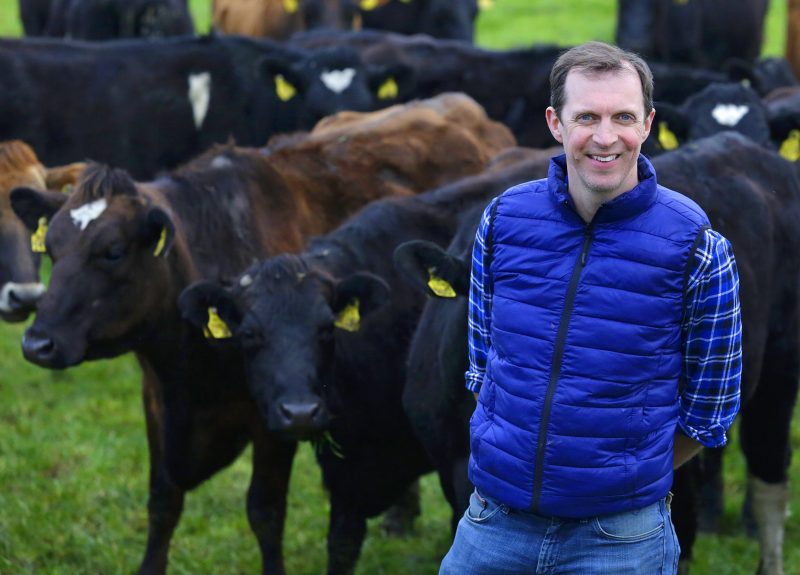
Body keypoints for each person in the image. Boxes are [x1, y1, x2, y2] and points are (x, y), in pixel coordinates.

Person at [439, 41, 742, 575]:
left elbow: (709, 409)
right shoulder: (503, 221)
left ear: (648, 124)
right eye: (587, 117)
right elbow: (485, 365)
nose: (605, 137)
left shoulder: (698, 248)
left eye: (623, 117)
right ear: (555, 123)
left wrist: (627, 476)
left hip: (619, 538)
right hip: (494, 521)